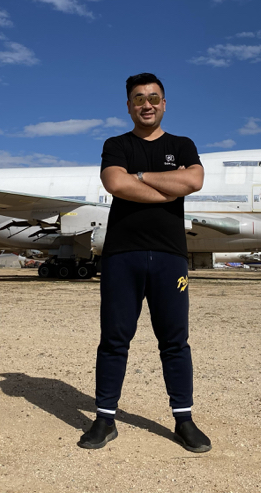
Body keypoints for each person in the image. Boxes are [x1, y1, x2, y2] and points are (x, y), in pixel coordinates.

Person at [78, 72, 211, 453]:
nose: (147, 104)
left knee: (174, 342)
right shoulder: (116, 144)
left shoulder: (183, 145)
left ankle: (184, 420)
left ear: (164, 103)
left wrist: (142, 178)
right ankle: (104, 419)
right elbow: (116, 185)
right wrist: (166, 187)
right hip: (123, 256)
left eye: (154, 97)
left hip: (170, 258)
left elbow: (195, 181)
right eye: (139, 98)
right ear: (129, 106)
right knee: (115, 340)